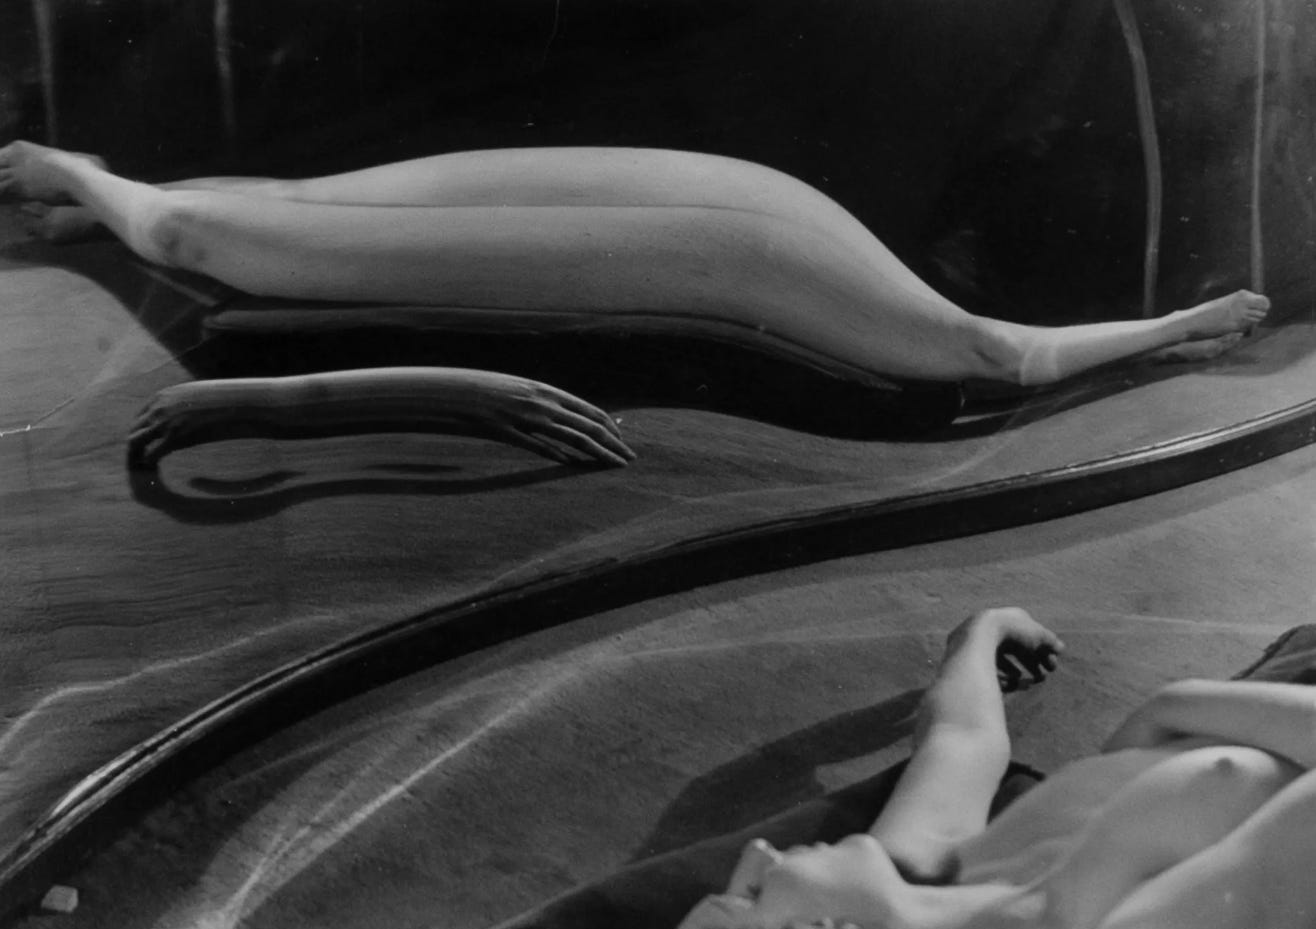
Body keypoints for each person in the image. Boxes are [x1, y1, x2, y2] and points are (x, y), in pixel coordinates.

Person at [1, 141, 1270, 464]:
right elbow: (1003, 353)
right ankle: (92, 187)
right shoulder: (885, 296)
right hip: (717, 215)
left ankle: (88, 182)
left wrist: (1175, 331)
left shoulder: (887, 303)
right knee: (267, 216)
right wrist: (1173, 331)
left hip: (718, 226)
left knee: (241, 229)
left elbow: (1001, 353)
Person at [623, 607, 1316, 929]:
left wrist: (979, 634)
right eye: (748, 897)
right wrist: (1176, 703)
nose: (756, 852)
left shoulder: (916, 886)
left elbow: (958, 739)